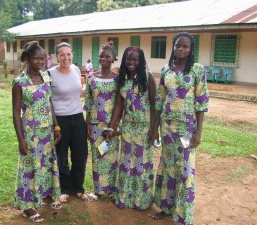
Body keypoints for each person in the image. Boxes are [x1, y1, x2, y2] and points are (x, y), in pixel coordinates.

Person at [153, 32, 209, 225]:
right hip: (167, 128)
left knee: (185, 167)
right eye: (178, 46)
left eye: (185, 46)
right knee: (168, 167)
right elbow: (159, 102)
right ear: (173, 47)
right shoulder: (166, 71)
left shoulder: (197, 70)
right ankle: (166, 207)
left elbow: (201, 103)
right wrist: (154, 129)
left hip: (186, 129)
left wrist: (198, 131)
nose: (181, 49)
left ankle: (183, 213)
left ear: (191, 49)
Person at [12, 41, 62, 223]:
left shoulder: (46, 77)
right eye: (35, 58)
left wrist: (56, 126)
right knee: (29, 168)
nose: (39, 62)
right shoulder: (20, 82)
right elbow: (16, 113)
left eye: (42, 58)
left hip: (47, 132)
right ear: (27, 59)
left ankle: (47, 196)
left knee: (46, 165)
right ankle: (27, 206)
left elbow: (49, 104)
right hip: (30, 133)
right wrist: (20, 140)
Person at [106, 46, 157, 210]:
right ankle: (124, 198)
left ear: (140, 61)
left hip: (144, 128)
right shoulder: (122, 78)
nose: (131, 62)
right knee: (127, 162)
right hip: (128, 127)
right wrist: (112, 126)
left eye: (135, 60)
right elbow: (119, 107)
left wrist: (154, 130)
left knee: (141, 163)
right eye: (128, 59)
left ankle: (140, 200)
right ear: (124, 60)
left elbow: (154, 106)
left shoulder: (148, 78)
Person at [48, 42, 90, 202]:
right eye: (62, 54)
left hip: (78, 116)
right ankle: (65, 188)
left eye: (68, 54)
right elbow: (48, 100)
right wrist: (55, 124)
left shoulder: (76, 70)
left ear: (72, 54)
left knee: (80, 153)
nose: (66, 57)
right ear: (56, 57)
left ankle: (78, 187)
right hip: (60, 119)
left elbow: (79, 92)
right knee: (62, 155)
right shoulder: (50, 74)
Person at [83, 42, 119, 199]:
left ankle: (111, 190)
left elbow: (120, 104)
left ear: (113, 59)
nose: (104, 59)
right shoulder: (91, 78)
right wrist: (88, 124)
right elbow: (88, 103)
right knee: (98, 156)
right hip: (96, 126)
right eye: (101, 56)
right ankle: (98, 190)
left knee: (111, 157)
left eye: (107, 56)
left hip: (112, 126)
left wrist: (113, 127)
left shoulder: (118, 79)